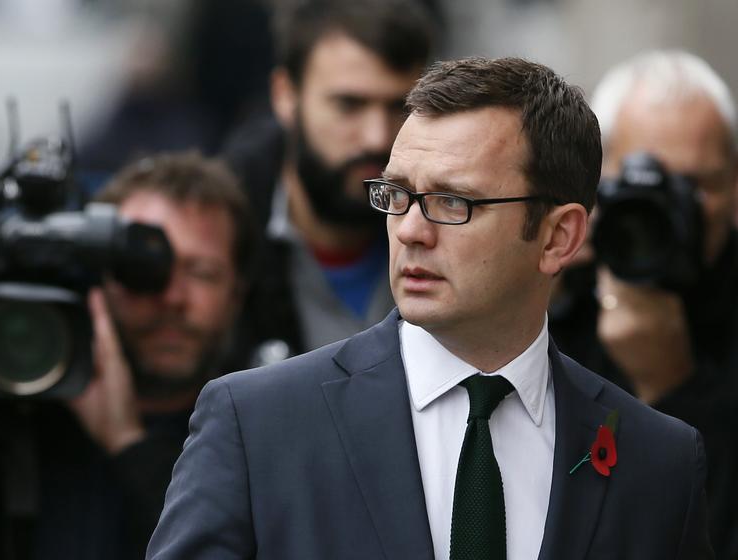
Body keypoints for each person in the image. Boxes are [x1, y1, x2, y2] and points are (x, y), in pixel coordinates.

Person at [147, 57, 712, 559]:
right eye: (396, 195)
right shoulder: (256, 425)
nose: (410, 230)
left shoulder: (659, 460)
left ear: (557, 237)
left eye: (453, 201)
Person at [0, 151, 257, 560]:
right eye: (141, 270)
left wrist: (128, 445)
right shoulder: (17, 409)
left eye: (202, 273)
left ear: (237, 295)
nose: (172, 297)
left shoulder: (255, 435)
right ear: (97, 278)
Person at [549, 50, 738, 558]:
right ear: (594, 187)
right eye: (641, 182)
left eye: (696, 184)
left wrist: (674, 386)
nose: (671, 208)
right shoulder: (556, 295)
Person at [222, 0, 436, 368]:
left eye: (399, 107)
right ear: (285, 96)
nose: (376, 137)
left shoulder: (460, 220)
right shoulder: (219, 238)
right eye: (349, 105)